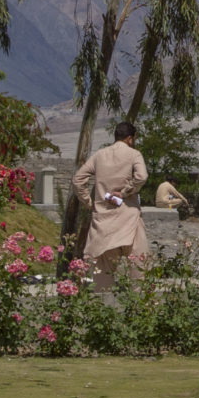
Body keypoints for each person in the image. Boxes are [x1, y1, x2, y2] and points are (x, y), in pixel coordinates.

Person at [72, 117, 151, 283]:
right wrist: (125, 191)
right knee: (139, 266)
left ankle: (102, 298)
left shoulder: (99, 155)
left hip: (104, 220)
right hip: (129, 217)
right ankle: (140, 298)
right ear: (130, 138)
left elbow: (78, 180)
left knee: (103, 271)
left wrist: (89, 202)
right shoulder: (134, 154)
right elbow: (142, 177)